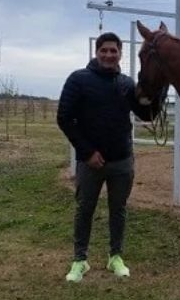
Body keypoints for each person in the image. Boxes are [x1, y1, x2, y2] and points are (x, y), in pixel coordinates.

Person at [57, 32, 161, 282]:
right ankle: (80, 260)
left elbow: (147, 115)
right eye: (104, 50)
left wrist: (157, 90)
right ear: (97, 52)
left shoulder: (126, 84)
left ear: (120, 54)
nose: (108, 55)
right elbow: (64, 118)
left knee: (119, 210)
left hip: (122, 162)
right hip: (90, 163)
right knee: (85, 210)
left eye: (113, 51)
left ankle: (115, 256)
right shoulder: (78, 80)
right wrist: (87, 152)